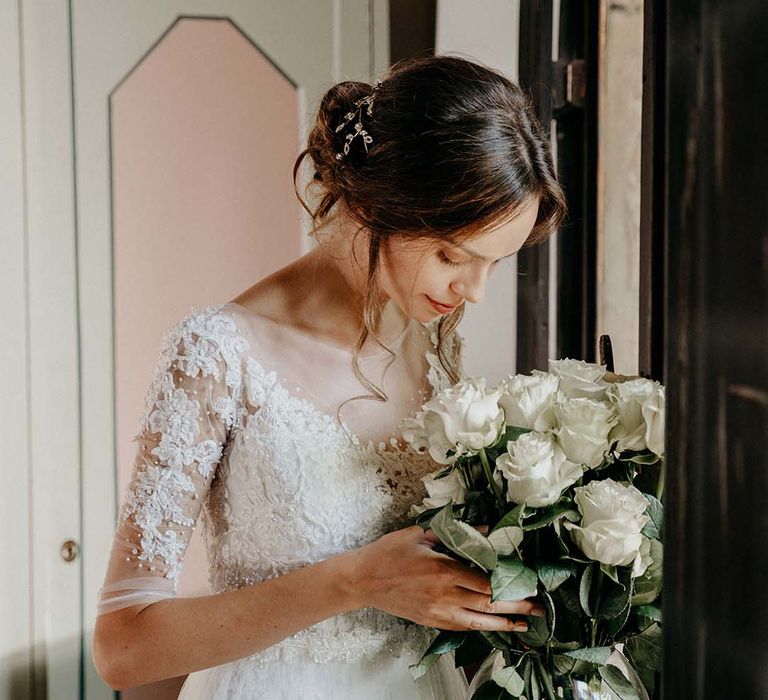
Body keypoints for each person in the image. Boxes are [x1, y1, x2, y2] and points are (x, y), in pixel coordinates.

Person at [92, 53, 567, 699]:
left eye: (495, 262)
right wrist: (353, 582)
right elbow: (123, 649)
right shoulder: (216, 354)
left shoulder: (436, 348)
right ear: (379, 204)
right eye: (454, 255)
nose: (474, 291)